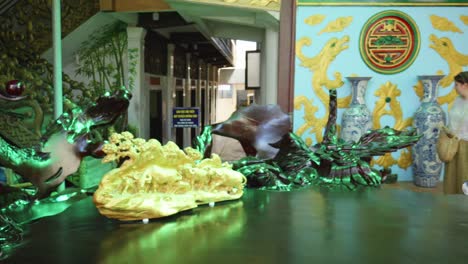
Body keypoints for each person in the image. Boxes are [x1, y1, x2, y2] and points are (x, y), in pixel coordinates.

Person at [443, 71, 468, 194]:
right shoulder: (458, 100)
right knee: (452, 178)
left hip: (466, 146)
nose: (455, 88)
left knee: (464, 177)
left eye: (457, 85)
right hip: (453, 145)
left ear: (465, 85)